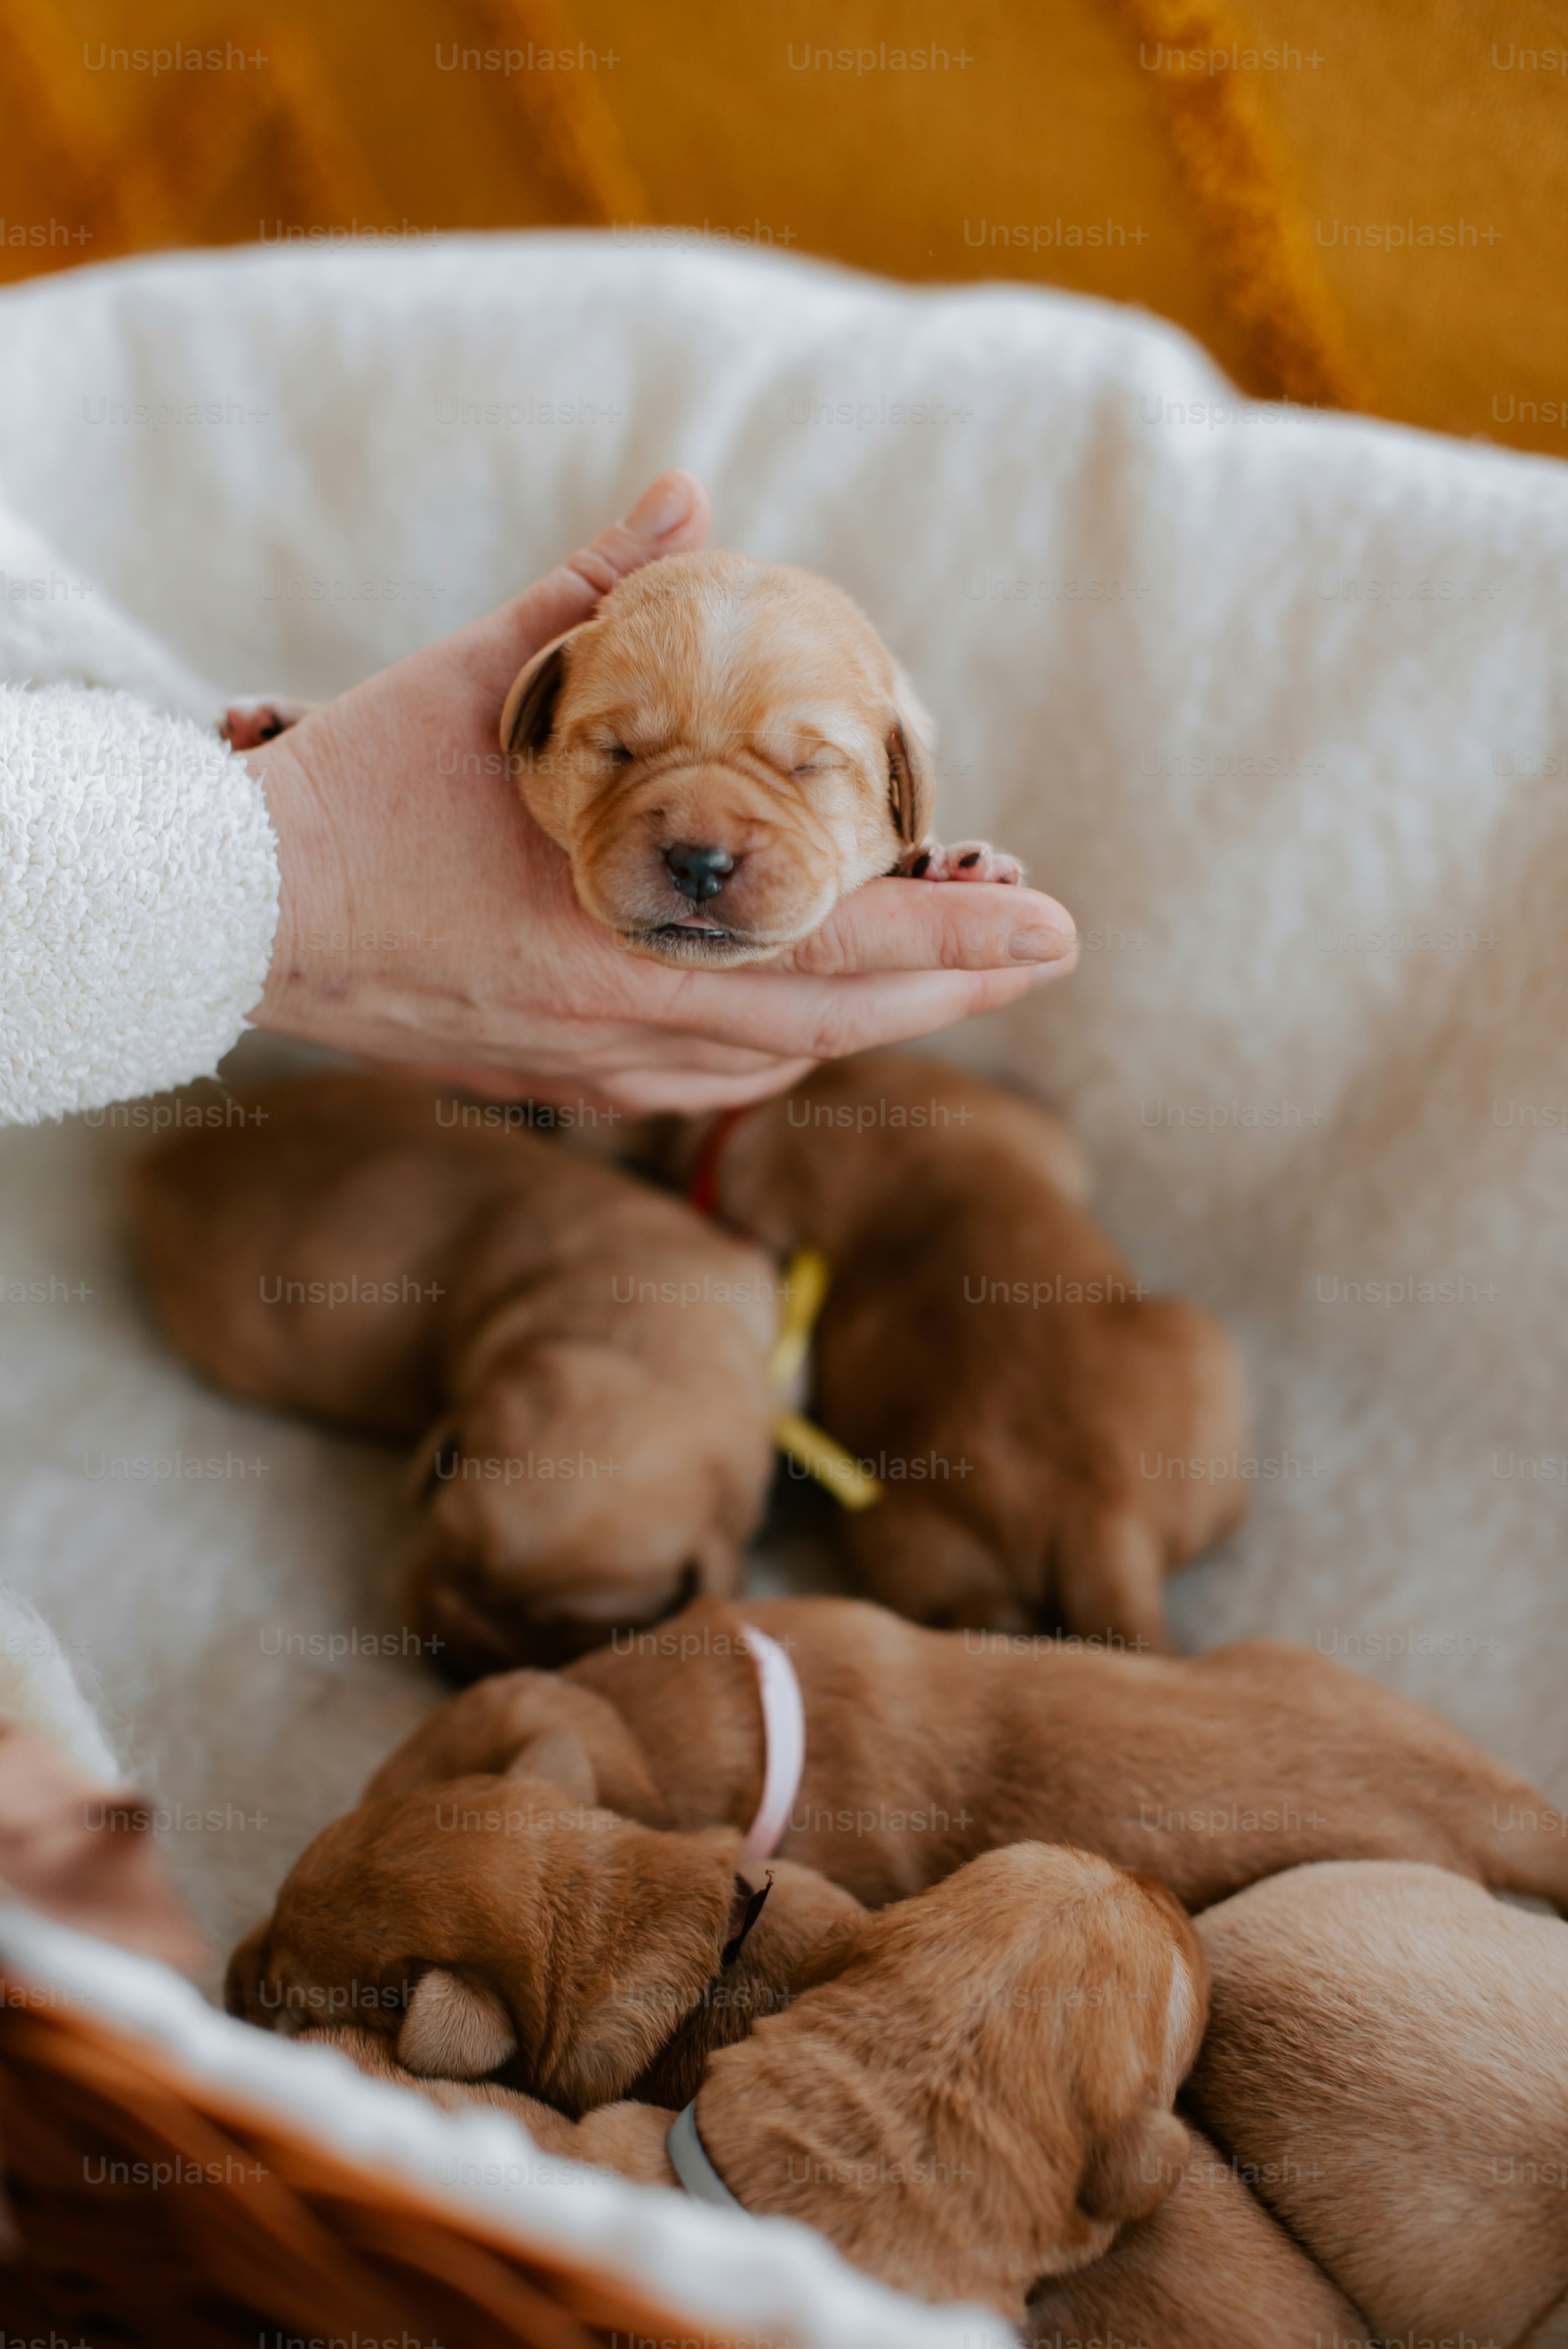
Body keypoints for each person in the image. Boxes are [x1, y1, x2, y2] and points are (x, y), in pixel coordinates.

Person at [0, 472, 1076, 1126]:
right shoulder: (503, 738)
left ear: (904, 784)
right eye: (619, 754)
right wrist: (296, 846)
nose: (702, 844)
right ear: (530, 718)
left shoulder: (904, 780)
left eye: (803, 771)